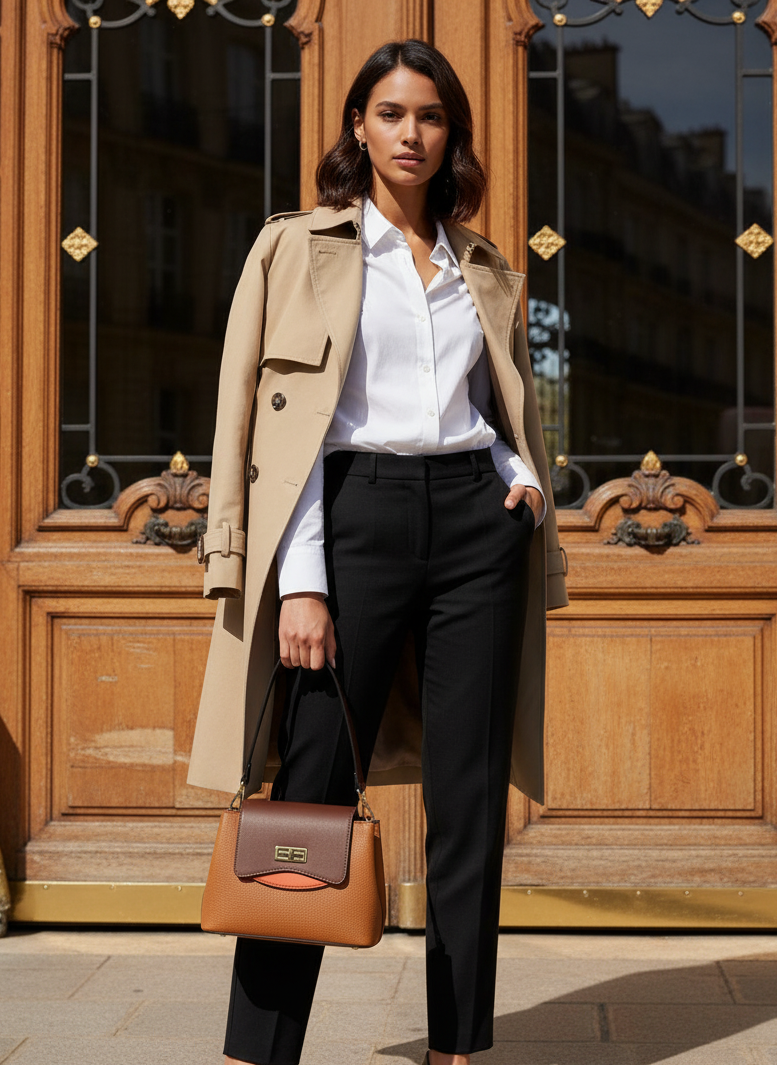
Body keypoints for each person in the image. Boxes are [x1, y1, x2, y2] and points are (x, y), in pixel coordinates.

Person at [188, 37, 568, 1065]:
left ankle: (457, 1047)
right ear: (359, 124)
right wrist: (301, 581)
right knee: (306, 789)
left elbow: (485, 402)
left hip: (475, 525)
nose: (411, 133)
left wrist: (515, 472)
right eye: (392, 113)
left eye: (431, 117)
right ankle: (257, 1051)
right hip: (349, 518)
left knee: (468, 798)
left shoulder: (480, 266)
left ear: (453, 137)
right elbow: (286, 428)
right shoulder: (297, 249)